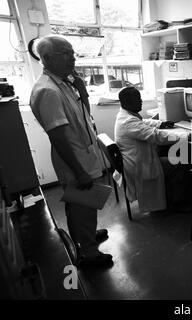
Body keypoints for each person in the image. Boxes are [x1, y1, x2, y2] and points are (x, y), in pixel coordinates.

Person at [30, 35, 112, 268]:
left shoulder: (64, 83)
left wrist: (82, 91)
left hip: (82, 155)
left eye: (72, 52)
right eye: (65, 53)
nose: (72, 57)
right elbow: (57, 137)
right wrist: (79, 170)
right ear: (46, 58)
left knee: (82, 206)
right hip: (75, 162)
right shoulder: (48, 91)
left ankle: (85, 236)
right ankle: (89, 254)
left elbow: (85, 118)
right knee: (81, 206)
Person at [114, 87, 192, 213]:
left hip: (136, 160)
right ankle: (177, 202)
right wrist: (185, 136)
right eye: (137, 99)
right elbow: (157, 136)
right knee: (184, 162)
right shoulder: (128, 122)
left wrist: (160, 124)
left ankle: (172, 195)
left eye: (140, 98)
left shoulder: (125, 115)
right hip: (140, 165)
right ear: (126, 102)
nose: (141, 101)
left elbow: (143, 122)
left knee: (173, 153)